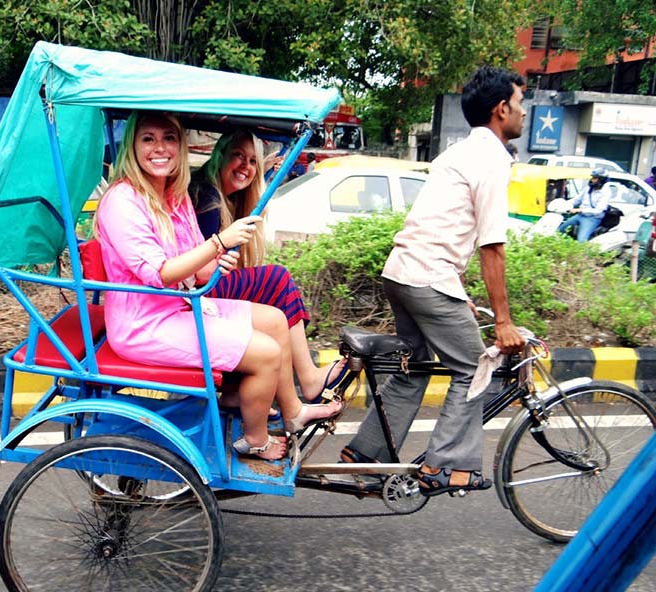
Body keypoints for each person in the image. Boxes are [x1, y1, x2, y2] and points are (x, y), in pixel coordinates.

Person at [95, 111, 341, 460]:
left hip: (181, 306)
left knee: (273, 320)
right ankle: (256, 441)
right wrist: (219, 243)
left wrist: (217, 260)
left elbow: (196, 266)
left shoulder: (172, 196)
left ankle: (292, 411)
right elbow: (160, 272)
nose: (160, 148)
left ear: (180, 146)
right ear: (132, 145)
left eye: (169, 138)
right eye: (149, 138)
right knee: (266, 353)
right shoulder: (123, 200)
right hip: (145, 325)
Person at [340, 66, 527, 497]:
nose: (522, 115)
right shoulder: (492, 159)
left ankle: (365, 452)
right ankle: (446, 466)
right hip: (427, 277)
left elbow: (446, 230)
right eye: (519, 106)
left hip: (402, 273)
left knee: (415, 365)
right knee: (474, 367)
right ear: (501, 110)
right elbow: (492, 247)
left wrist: (461, 295)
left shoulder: (458, 153)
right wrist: (503, 320)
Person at [190, 129, 346, 403]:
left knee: (272, 287)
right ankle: (307, 379)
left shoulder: (221, 195)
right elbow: (203, 270)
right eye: (238, 156)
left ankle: (242, 390)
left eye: (252, 161)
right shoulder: (207, 198)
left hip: (202, 287)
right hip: (197, 292)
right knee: (276, 278)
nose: (245, 166)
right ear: (220, 156)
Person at [557, 167, 612, 242]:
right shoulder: (588, 188)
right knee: (560, 231)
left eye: (595, 178)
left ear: (602, 180)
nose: (592, 180)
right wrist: (562, 204)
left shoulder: (606, 192)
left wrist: (579, 209)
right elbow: (576, 200)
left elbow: (598, 210)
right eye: (592, 177)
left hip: (592, 219)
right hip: (580, 215)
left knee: (581, 241)